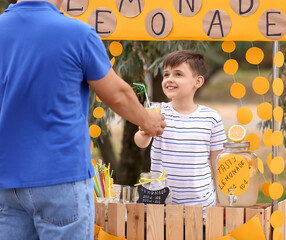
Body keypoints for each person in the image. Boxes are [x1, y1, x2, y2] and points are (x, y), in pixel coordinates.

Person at [0, 0, 166, 239]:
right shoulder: (77, 33)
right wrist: (147, 120)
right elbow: (117, 94)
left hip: (6, 179)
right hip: (60, 177)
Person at [134, 50, 227, 208]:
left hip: (201, 206)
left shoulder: (211, 118)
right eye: (166, 74)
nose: (169, 79)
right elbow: (140, 142)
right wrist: (144, 132)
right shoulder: (156, 112)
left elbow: (218, 163)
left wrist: (222, 199)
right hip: (160, 205)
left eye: (178, 74)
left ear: (197, 82)